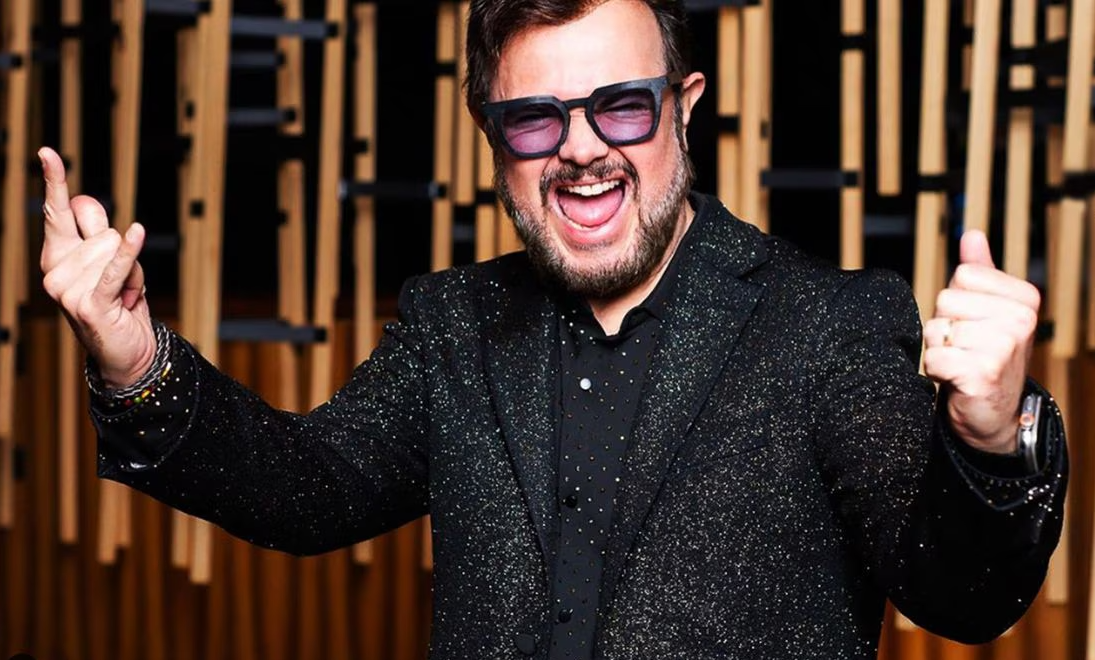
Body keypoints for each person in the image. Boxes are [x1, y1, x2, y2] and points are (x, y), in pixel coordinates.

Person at [39, 0, 1065, 658]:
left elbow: (959, 595)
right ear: (492, 138)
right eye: (535, 117)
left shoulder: (828, 323)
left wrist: (988, 437)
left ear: (683, 107)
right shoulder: (451, 326)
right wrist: (135, 360)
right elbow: (306, 491)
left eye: (621, 106)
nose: (580, 150)